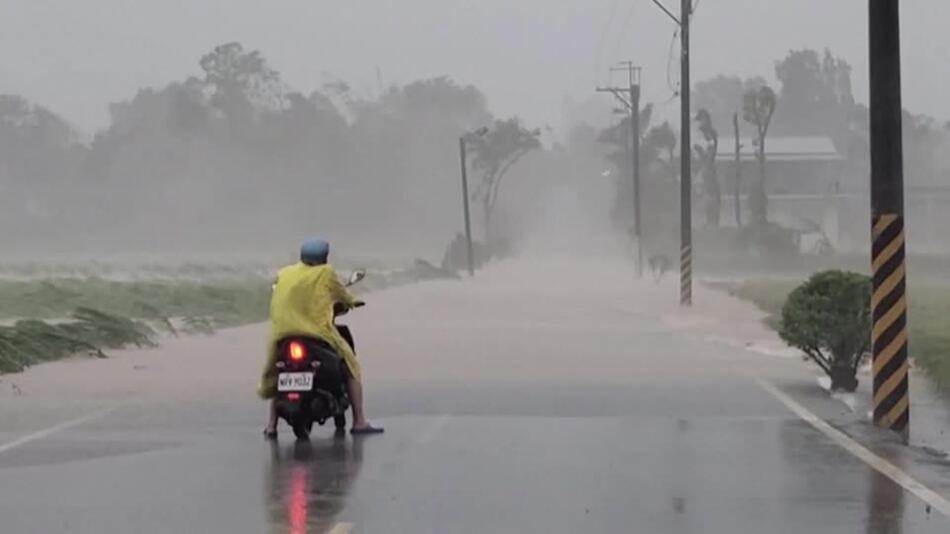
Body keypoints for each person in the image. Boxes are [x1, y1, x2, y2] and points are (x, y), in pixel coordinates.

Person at [259, 239, 383, 438]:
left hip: (283, 333)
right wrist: (352, 301)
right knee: (351, 365)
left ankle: (271, 425)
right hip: (316, 333)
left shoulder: (285, 273)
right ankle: (359, 421)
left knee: (280, 371)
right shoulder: (325, 273)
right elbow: (341, 294)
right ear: (324, 257)